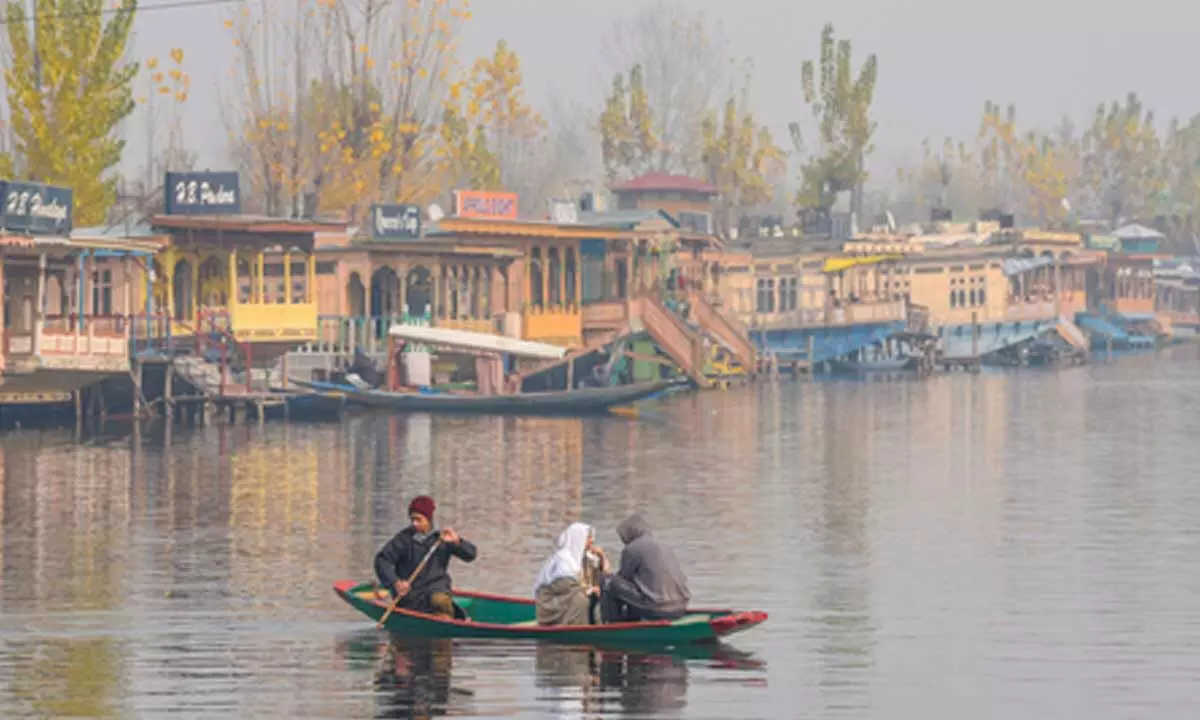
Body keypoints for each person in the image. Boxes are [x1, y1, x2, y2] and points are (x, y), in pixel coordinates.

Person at [374, 495, 477, 618]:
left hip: (437, 589)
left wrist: (457, 542)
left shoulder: (442, 538)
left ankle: (446, 618)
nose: (415, 524)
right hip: (411, 595)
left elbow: (471, 555)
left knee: (439, 600)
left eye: (419, 520)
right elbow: (382, 560)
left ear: (428, 519)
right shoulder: (403, 539)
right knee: (424, 603)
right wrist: (395, 582)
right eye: (412, 519)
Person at [600, 513, 690, 623]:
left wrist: (605, 570)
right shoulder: (665, 546)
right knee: (636, 587)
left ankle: (614, 624)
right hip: (680, 608)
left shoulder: (632, 549)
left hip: (657, 609)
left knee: (608, 581)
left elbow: (623, 579)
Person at [533, 522, 610, 626]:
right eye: (589, 538)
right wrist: (590, 590)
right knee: (580, 599)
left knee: (600, 597)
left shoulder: (583, 557)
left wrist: (602, 556)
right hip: (551, 606)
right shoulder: (563, 560)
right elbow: (567, 587)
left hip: (568, 600)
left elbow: (606, 577)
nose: (592, 541)